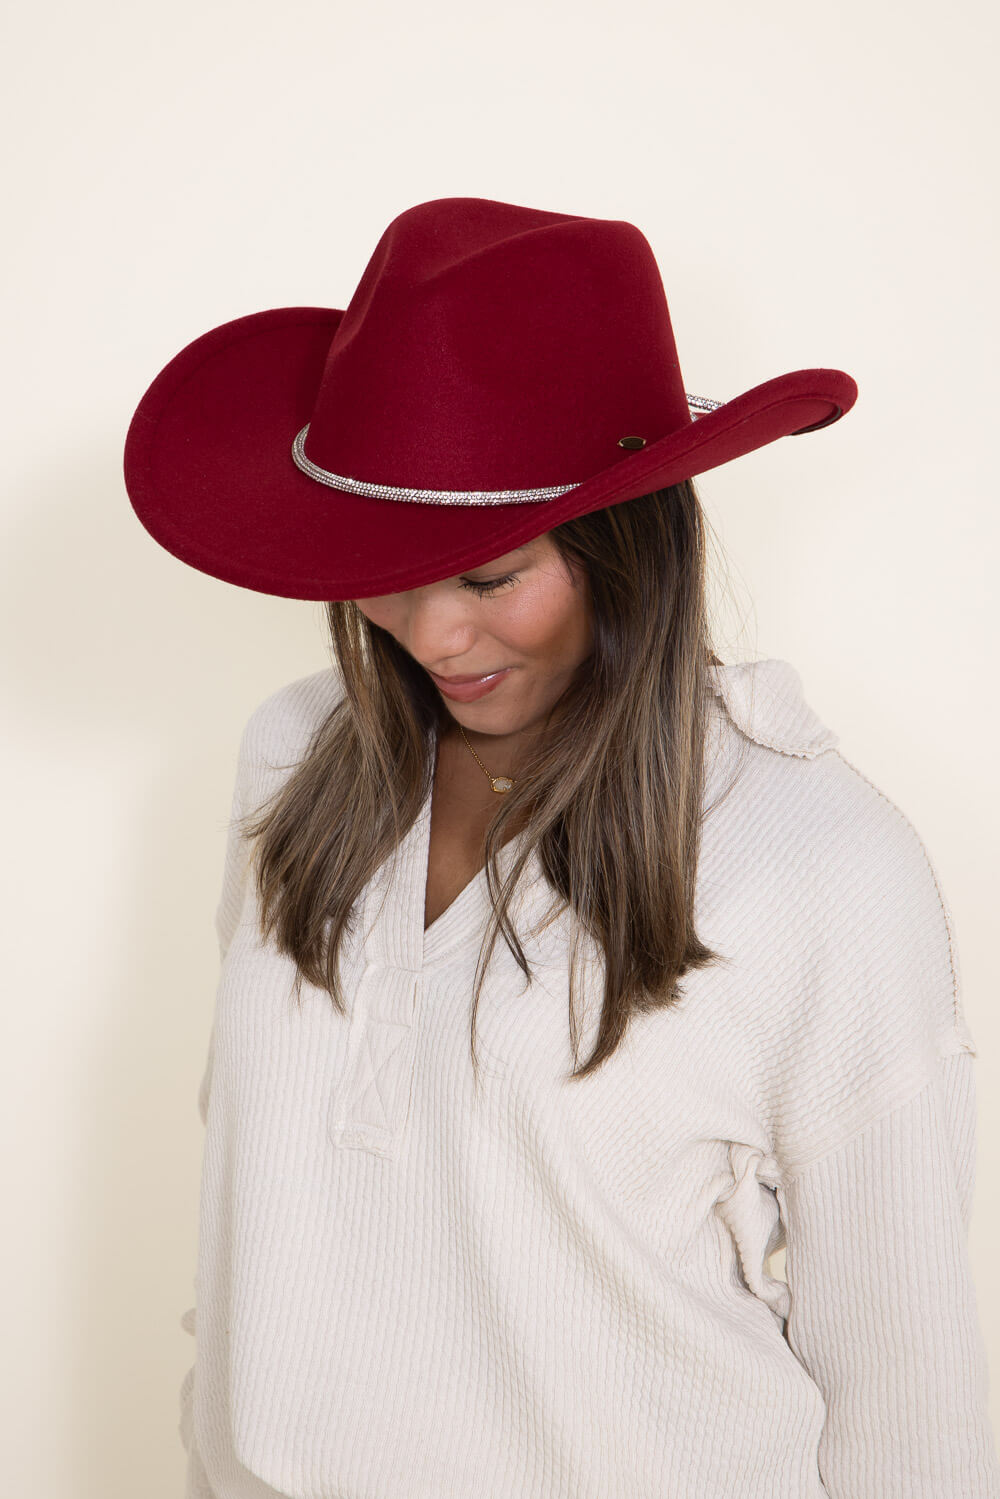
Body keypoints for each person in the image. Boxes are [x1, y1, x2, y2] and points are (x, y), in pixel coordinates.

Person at [123, 196, 1000, 1499]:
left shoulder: (816, 862)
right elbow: (254, 1224)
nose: (432, 636)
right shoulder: (291, 760)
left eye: (489, 577)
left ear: (627, 547)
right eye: (387, 564)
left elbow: (908, 1394)